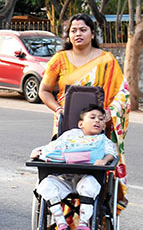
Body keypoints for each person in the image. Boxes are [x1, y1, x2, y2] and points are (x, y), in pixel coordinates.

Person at [40, 14, 130, 175]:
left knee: (98, 168)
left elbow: (122, 93)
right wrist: (58, 109)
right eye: (73, 30)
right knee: (64, 165)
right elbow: (44, 90)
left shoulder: (107, 60)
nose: (78, 34)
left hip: (98, 124)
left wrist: (110, 113)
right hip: (66, 122)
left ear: (93, 34)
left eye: (83, 30)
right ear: (68, 35)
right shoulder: (59, 59)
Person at [30, 104, 116, 230]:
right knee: (46, 184)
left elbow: (111, 153)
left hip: (85, 179)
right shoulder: (70, 134)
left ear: (104, 126)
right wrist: (38, 152)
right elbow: (54, 147)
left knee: (90, 184)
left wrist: (104, 160)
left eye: (101, 119)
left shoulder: (103, 140)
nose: (97, 121)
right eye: (92, 118)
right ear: (81, 124)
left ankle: (83, 225)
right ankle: (62, 226)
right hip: (64, 179)